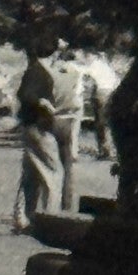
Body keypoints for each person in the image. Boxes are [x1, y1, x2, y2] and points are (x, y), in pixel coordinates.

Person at [13, 44, 59, 230]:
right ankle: (51, 221)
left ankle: (23, 217)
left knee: (30, 176)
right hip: (39, 127)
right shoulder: (39, 72)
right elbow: (25, 94)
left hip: (29, 126)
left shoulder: (33, 69)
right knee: (53, 173)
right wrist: (44, 102)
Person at [48, 47, 87, 212]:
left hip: (51, 118)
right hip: (70, 119)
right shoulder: (78, 73)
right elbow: (78, 98)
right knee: (68, 165)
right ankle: (67, 205)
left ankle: (47, 206)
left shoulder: (50, 73)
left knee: (48, 165)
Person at [80, 50, 121, 160]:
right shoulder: (106, 66)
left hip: (101, 93)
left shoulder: (94, 65)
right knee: (108, 123)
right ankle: (110, 149)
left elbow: (86, 77)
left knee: (101, 123)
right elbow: (116, 80)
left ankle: (104, 150)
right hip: (111, 92)